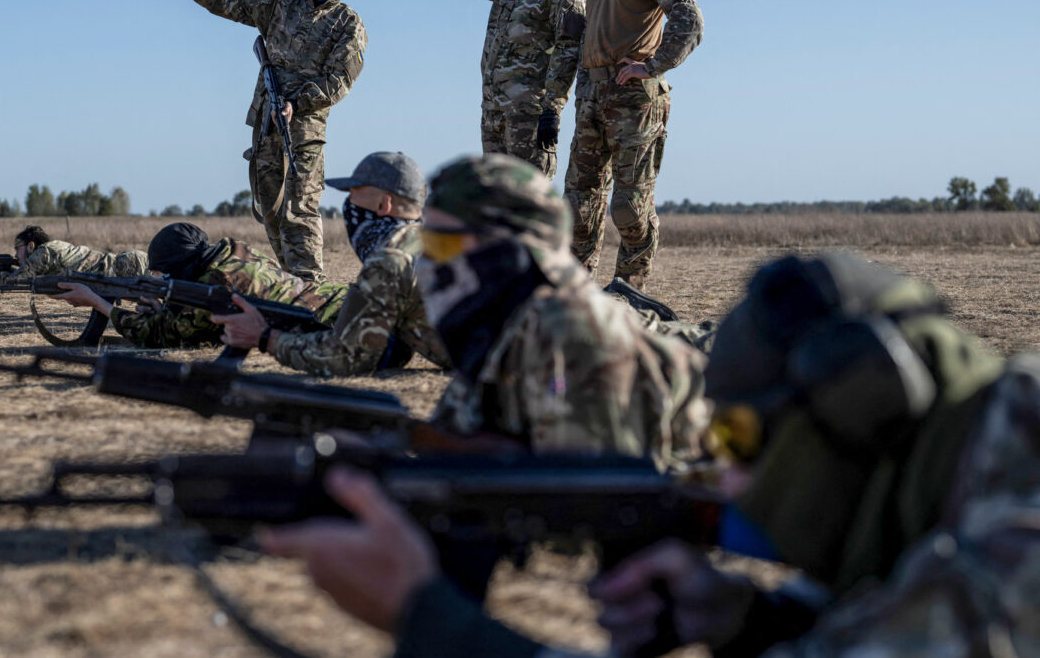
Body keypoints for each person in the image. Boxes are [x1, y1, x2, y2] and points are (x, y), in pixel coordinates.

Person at [259, 252, 1038, 657]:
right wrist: (746, 620)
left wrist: (431, 621)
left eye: (736, 441)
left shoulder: (1020, 534)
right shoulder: (970, 470)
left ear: (869, 401)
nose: (724, 478)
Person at [416, 154, 708, 462]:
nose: (425, 263)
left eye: (441, 246)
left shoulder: (574, 333)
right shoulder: (497, 334)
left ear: (506, 253)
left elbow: (596, 501)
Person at [142, 0, 367, 284]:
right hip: (265, 125)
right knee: (271, 212)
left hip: (304, 133)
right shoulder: (281, 3)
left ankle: (311, 290)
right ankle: (293, 285)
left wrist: (298, 103)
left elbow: (341, 79)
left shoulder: (348, 22)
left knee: (300, 209)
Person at [362, 0, 585, 179]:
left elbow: (568, 49)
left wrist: (552, 109)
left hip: (529, 117)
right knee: (493, 205)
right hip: (493, 116)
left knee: (526, 205)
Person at [564, 0, 704, 290]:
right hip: (592, 96)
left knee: (629, 207)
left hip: (633, 100)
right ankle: (576, 296)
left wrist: (654, 66)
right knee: (577, 206)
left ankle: (629, 292)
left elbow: (689, 21)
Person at [211, 152, 450, 376]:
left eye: (354, 192)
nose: (349, 204)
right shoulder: (438, 241)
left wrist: (266, 338)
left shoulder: (391, 259)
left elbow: (345, 357)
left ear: (384, 204)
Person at [54, 223, 346, 349]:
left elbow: (156, 335)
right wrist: (166, 305)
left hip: (338, 323)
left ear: (180, 267)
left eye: (163, 274)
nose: (160, 280)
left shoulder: (218, 283)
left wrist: (97, 303)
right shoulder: (235, 252)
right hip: (339, 301)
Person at [0, 225, 148, 284]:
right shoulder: (51, 248)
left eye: (17, 248)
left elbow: (12, 281)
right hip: (128, 261)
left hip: (129, 266)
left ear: (31, 246)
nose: (15, 253)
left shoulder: (42, 254)